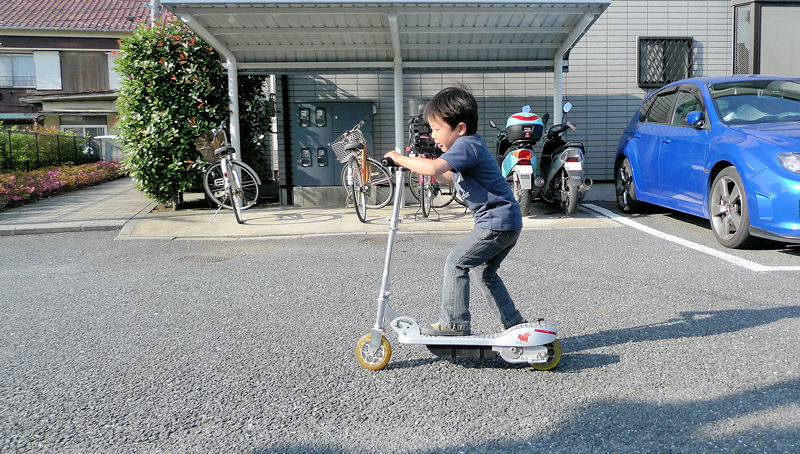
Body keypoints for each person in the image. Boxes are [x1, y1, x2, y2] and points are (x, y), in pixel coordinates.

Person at [383, 86, 527, 336]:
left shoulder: (466, 144)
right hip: (505, 222)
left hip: (496, 222)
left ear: (460, 128)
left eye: (437, 129)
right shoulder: (468, 147)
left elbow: (434, 168)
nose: (433, 135)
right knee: (485, 273)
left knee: (456, 263)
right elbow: (449, 177)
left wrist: (400, 158)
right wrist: (423, 165)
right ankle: (514, 324)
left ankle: (454, 324)